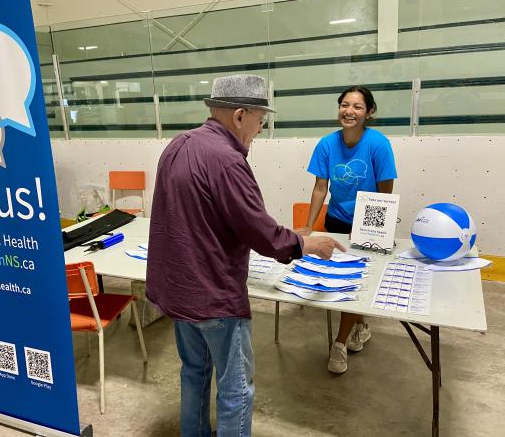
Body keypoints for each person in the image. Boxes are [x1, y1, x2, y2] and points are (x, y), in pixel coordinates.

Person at [146, 74, 344, 437]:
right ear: (240, 116)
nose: (259, 131)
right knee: (236, 387)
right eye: (259, 121)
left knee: (193, 373)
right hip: (215, 297)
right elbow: (256, 229)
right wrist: (305, 244)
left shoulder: (177, 145)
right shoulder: (226, 160)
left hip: (179, 290)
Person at [299, 85, 397, 374]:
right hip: (338, 222)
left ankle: (339, 343)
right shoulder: (327, 144)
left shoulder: (378, 144)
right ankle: (360, 327)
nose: (348, 111)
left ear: (369, 112)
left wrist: (378, 231)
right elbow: (320, 188)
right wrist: (308, 225)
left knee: (354, 282)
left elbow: (385, 192)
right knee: (345, 281)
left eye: (356, 106)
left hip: (368, 225)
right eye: (344, 104)